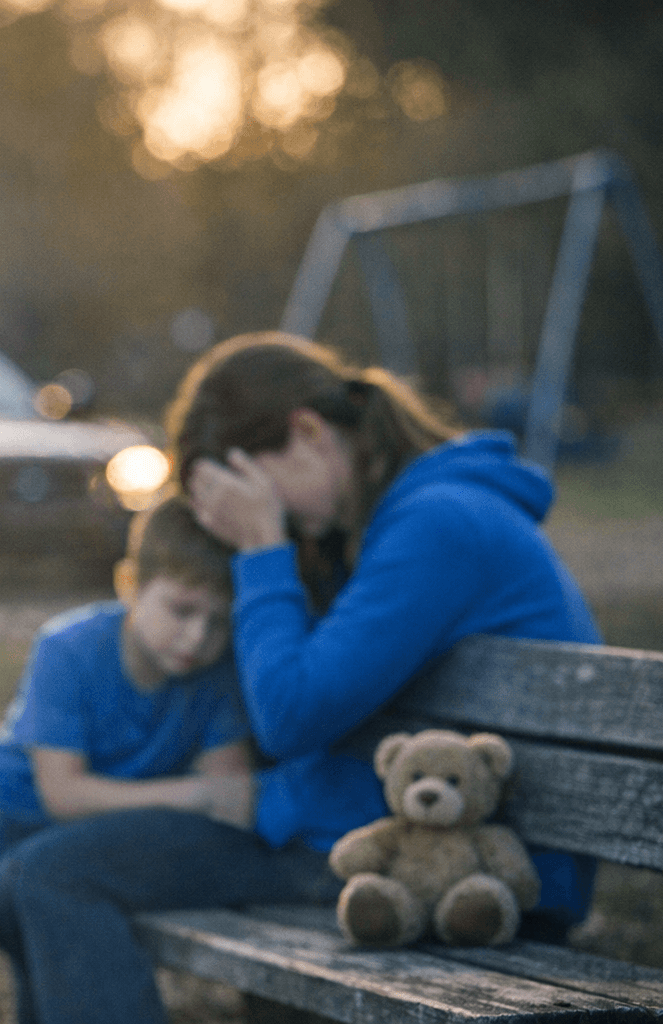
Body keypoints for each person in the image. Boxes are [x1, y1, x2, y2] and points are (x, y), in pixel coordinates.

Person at [171, 330, 600, 944]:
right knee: (53, 864)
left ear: (311, 432)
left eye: (258, 493)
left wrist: (262, 547)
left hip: (481, 878)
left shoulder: (435, 525)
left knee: (59, 871)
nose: (275, 520)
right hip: (417, 851)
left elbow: (290, 715)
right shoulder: (402, 522)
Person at [0, 495, 308, 1024]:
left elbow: (227, 791)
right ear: (131, 585)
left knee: (22, 893)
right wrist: (187, 794)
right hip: (6, 809)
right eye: (182, 609)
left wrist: (220, 794)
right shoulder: (69, 647)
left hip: (98, 829)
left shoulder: (217, 674)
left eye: (218, 622)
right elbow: (62, 793)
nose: (197, 637)